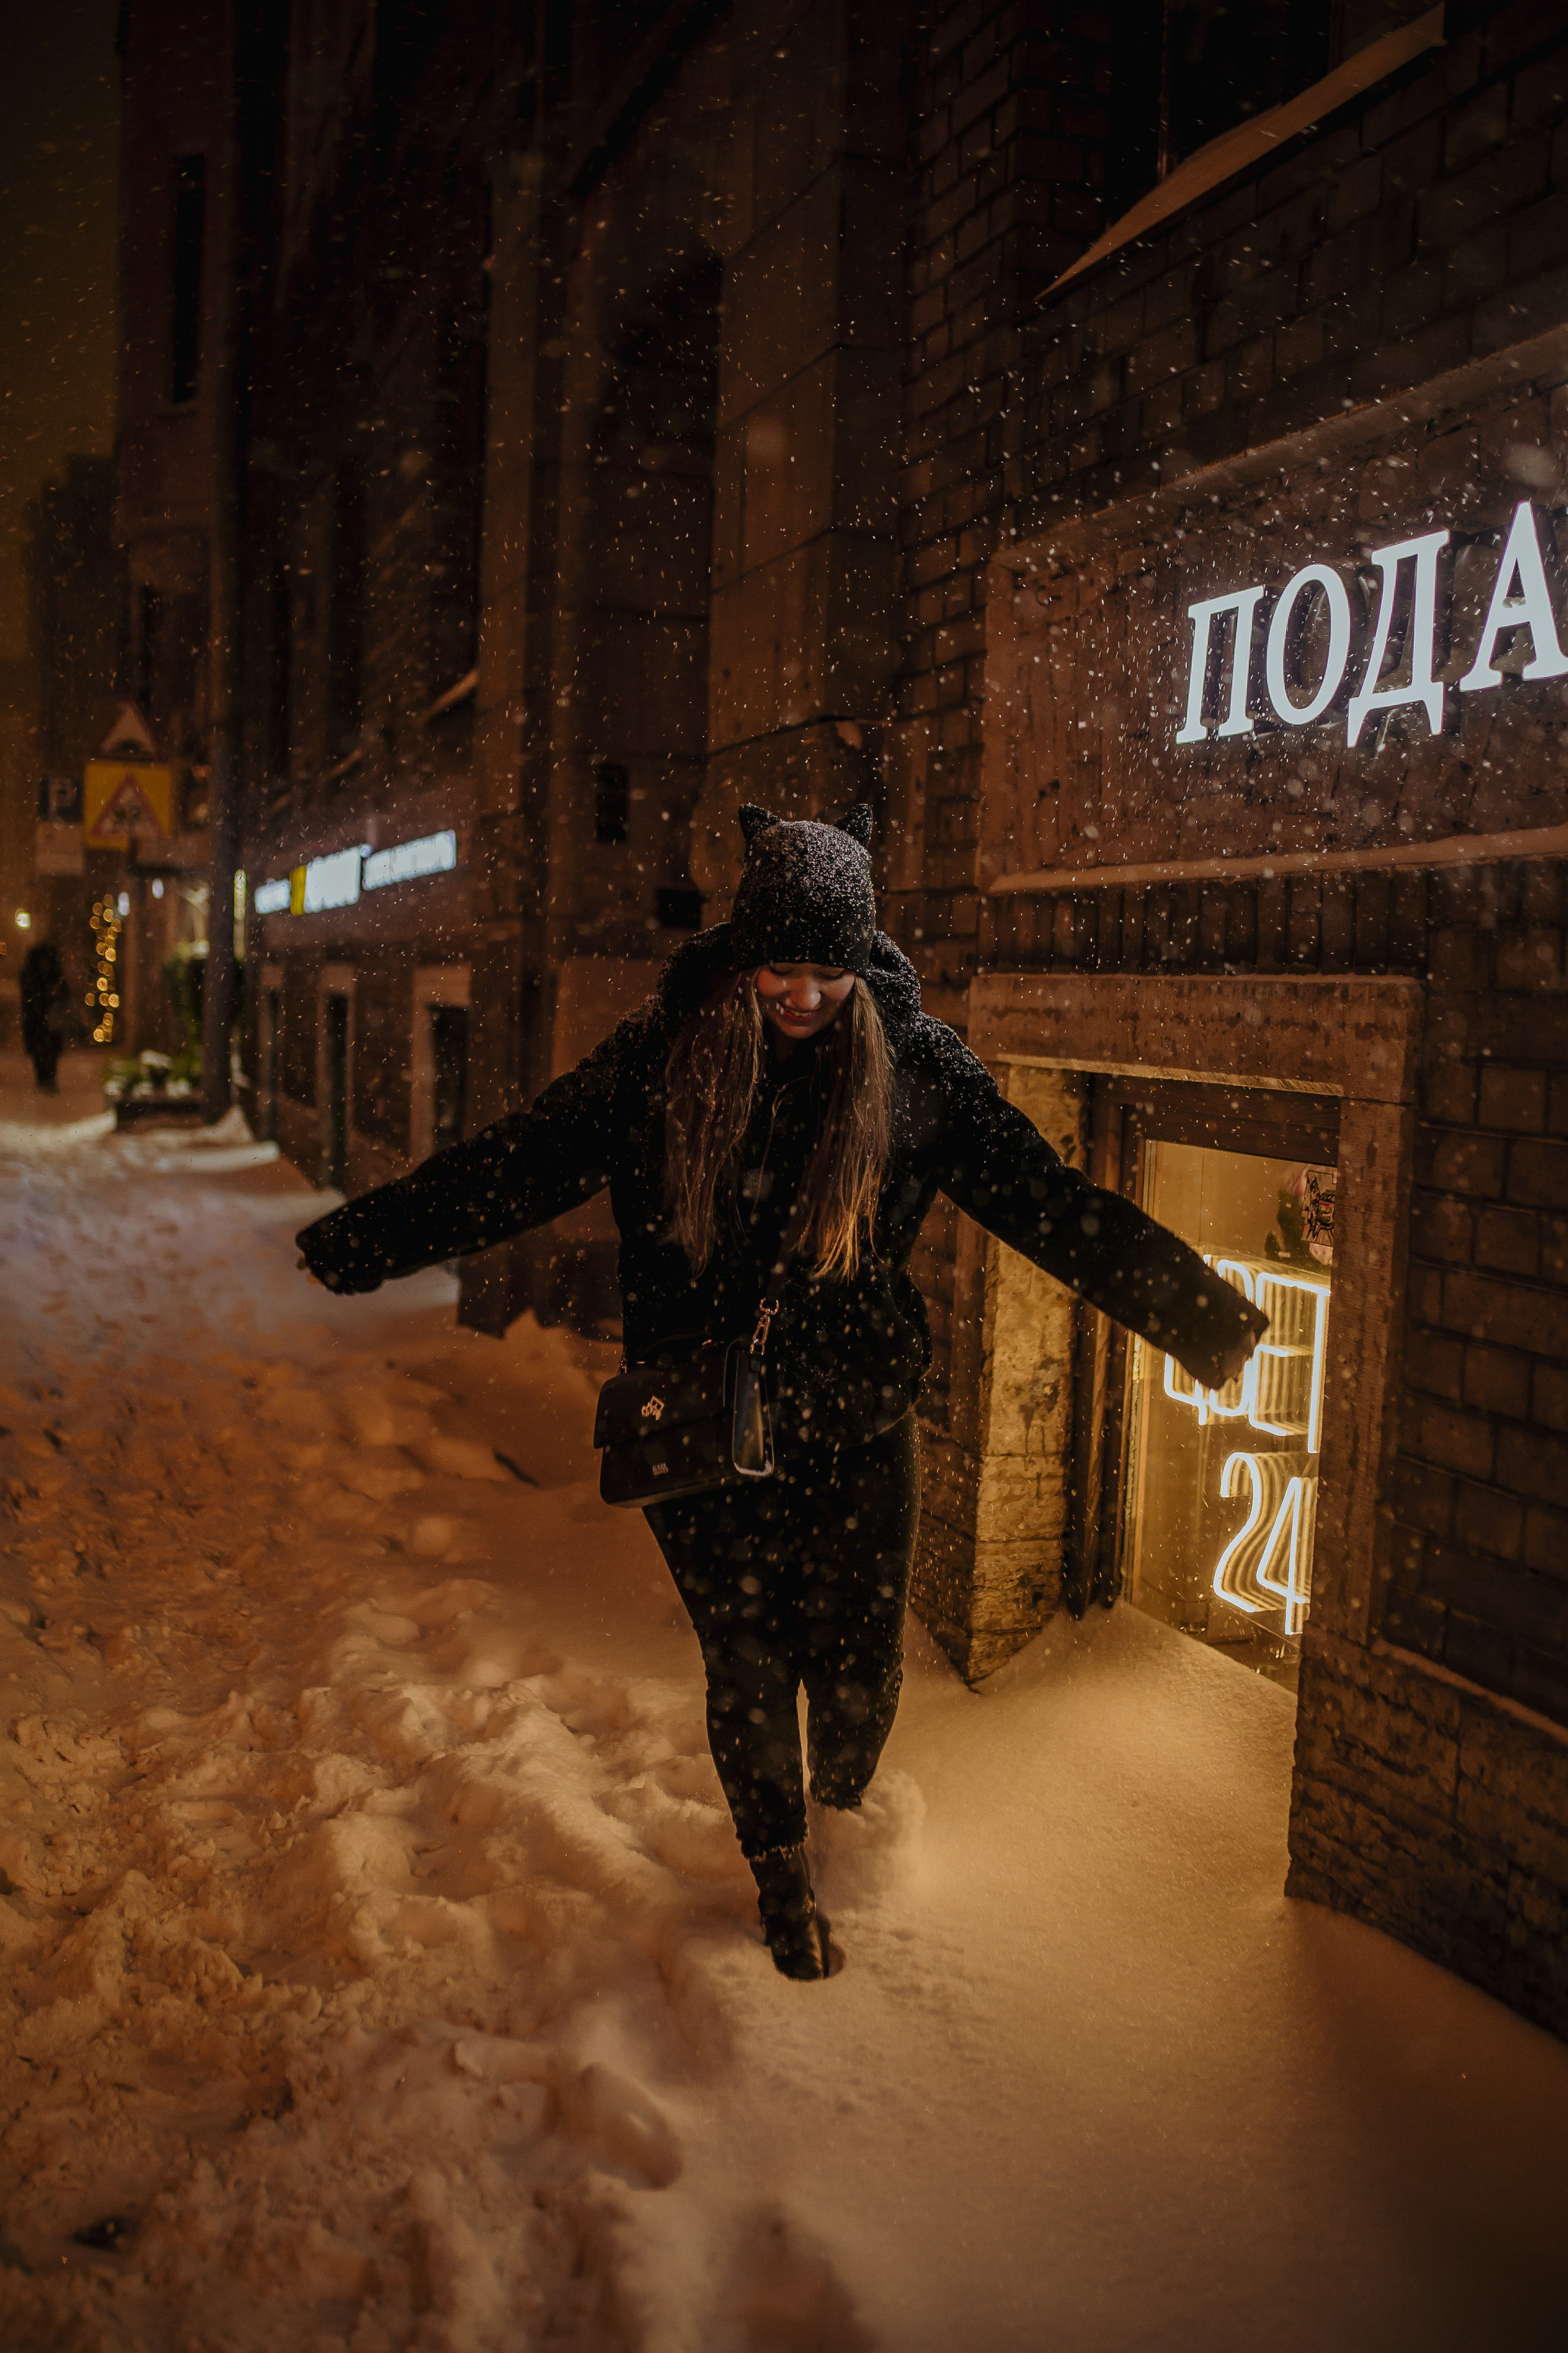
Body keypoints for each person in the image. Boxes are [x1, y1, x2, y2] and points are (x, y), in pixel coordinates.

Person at [297, 805, 1267, 1981]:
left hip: (857, 1419)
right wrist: (372, 1237)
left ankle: (844, 1813)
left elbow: (1045, 1200)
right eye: (779, 970)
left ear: (862, 967)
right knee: (749, 1660)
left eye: (826, 973)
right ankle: (781, 1881)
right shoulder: (663, 1054)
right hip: (703, 1421)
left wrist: (1196, 1314)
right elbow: (526, 1160)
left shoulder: (921, 1071)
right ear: (743, 956)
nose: (802, 996)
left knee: (858, 1668)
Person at [19, 939, 71, 1093]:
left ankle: (48, 1078)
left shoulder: (51, 975)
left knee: (49, 1050)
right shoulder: (33, 974)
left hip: (49, 1018)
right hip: (37, 1018)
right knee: (40, 1050)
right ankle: (44, 1078)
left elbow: (64, 992)